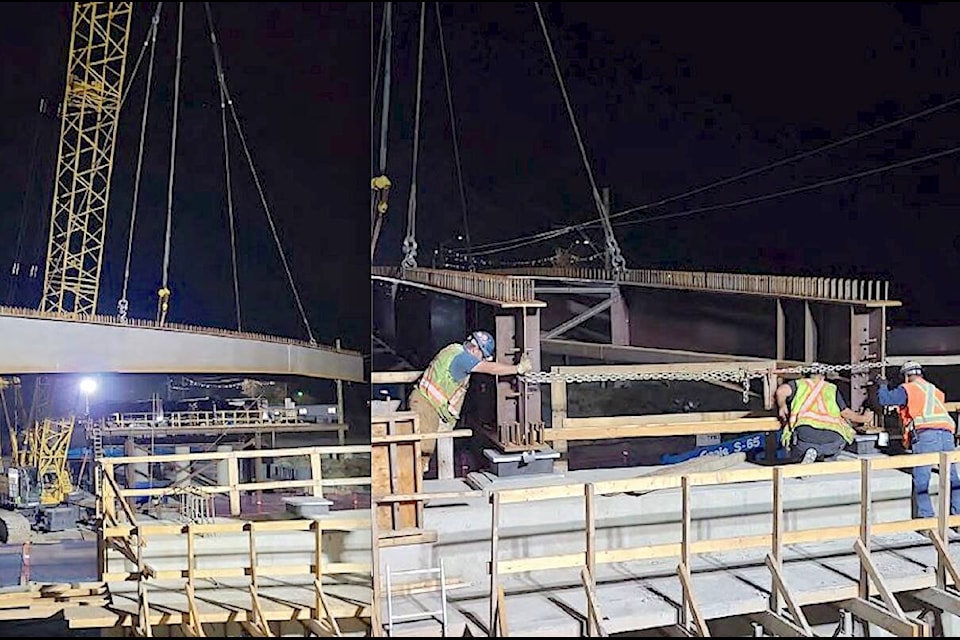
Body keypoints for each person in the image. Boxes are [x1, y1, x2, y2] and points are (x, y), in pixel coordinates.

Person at [408, 331, 533, 473]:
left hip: (427, 404)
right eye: (483, 356)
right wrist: (517, 368)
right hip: (426, 406)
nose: (482, 360)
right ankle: (410, 490)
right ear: (475, 349)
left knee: (421, 451)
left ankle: (414, 485)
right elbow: (490, 368)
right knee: (422, 452)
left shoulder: (453, 349)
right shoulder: (464, 359)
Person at [877, 360, 960, 519]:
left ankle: (925, 519)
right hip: (947, 433)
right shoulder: (935, 390)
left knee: (922, 478)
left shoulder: (908, 388)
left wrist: (882, 385)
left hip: (926, 434)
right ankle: (957, 518)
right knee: (952, 476)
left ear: (907, 376)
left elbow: (885, 400)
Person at [775, 363, 874, 464]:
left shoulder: (799, 384)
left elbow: (781, 391)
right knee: (844, 435)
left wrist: (782, 406)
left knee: (795, 442)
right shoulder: (831, 388)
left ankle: (806, 455)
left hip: (805, 436)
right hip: (832, 438)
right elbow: (846, 413)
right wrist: (864, 418)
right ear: (823, 376)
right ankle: (826, 458)